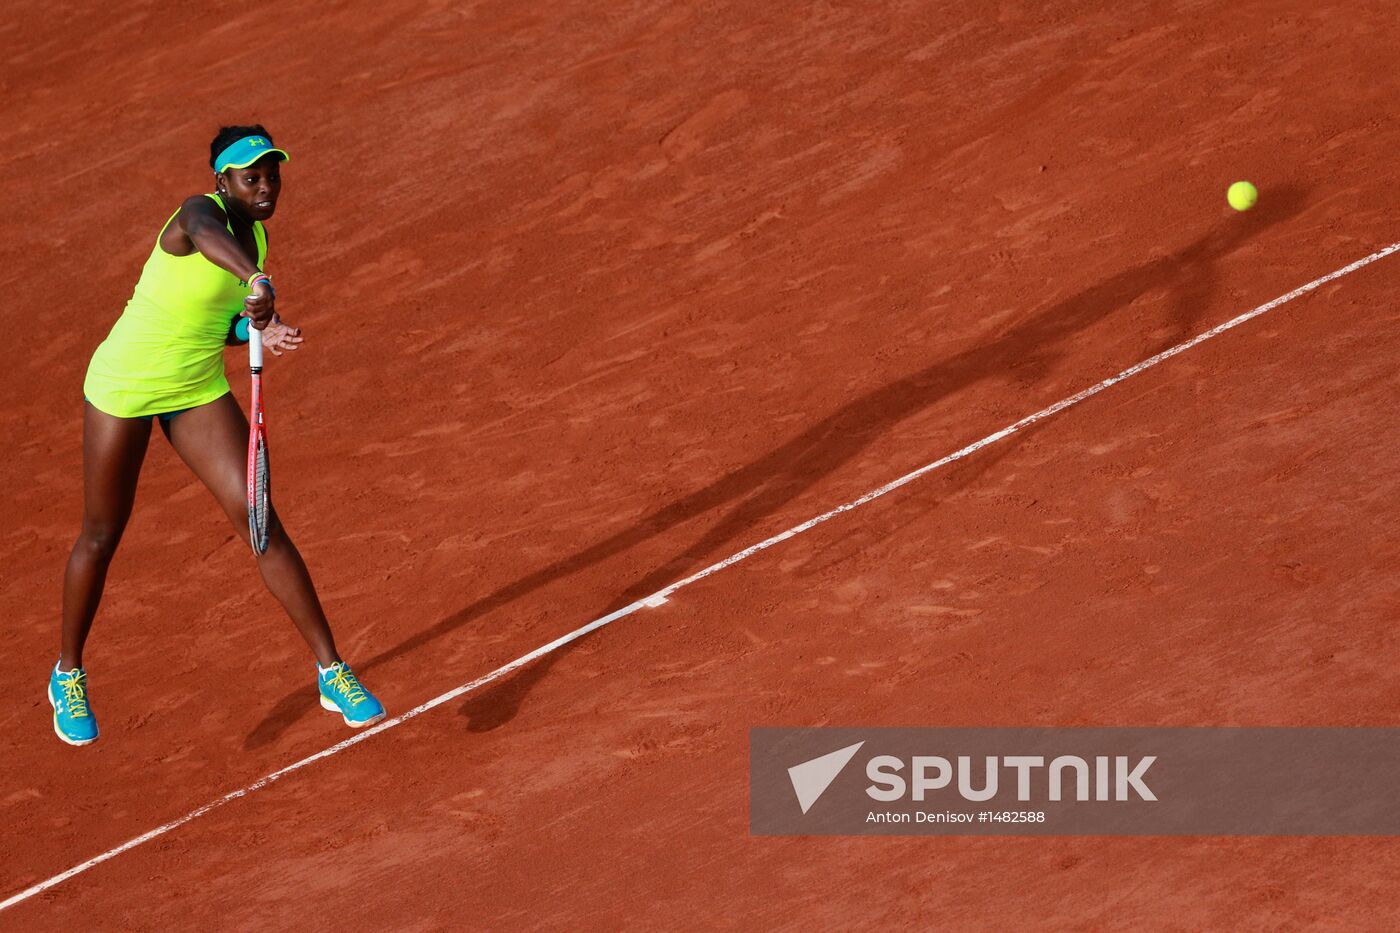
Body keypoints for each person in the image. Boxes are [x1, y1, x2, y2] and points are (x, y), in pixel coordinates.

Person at [50, 125, 385, 746]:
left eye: (271, 176)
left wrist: (262, 325)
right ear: (221, 181)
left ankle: (331, 670)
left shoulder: (255, 235)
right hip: (124, 387)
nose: (265, 188)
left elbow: (221, 320)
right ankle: (68, 672)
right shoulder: (197, 215)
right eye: (250, 177)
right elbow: (211, 246)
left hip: (196, 389)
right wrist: (257, 283)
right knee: (101, 532)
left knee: (259, 519)